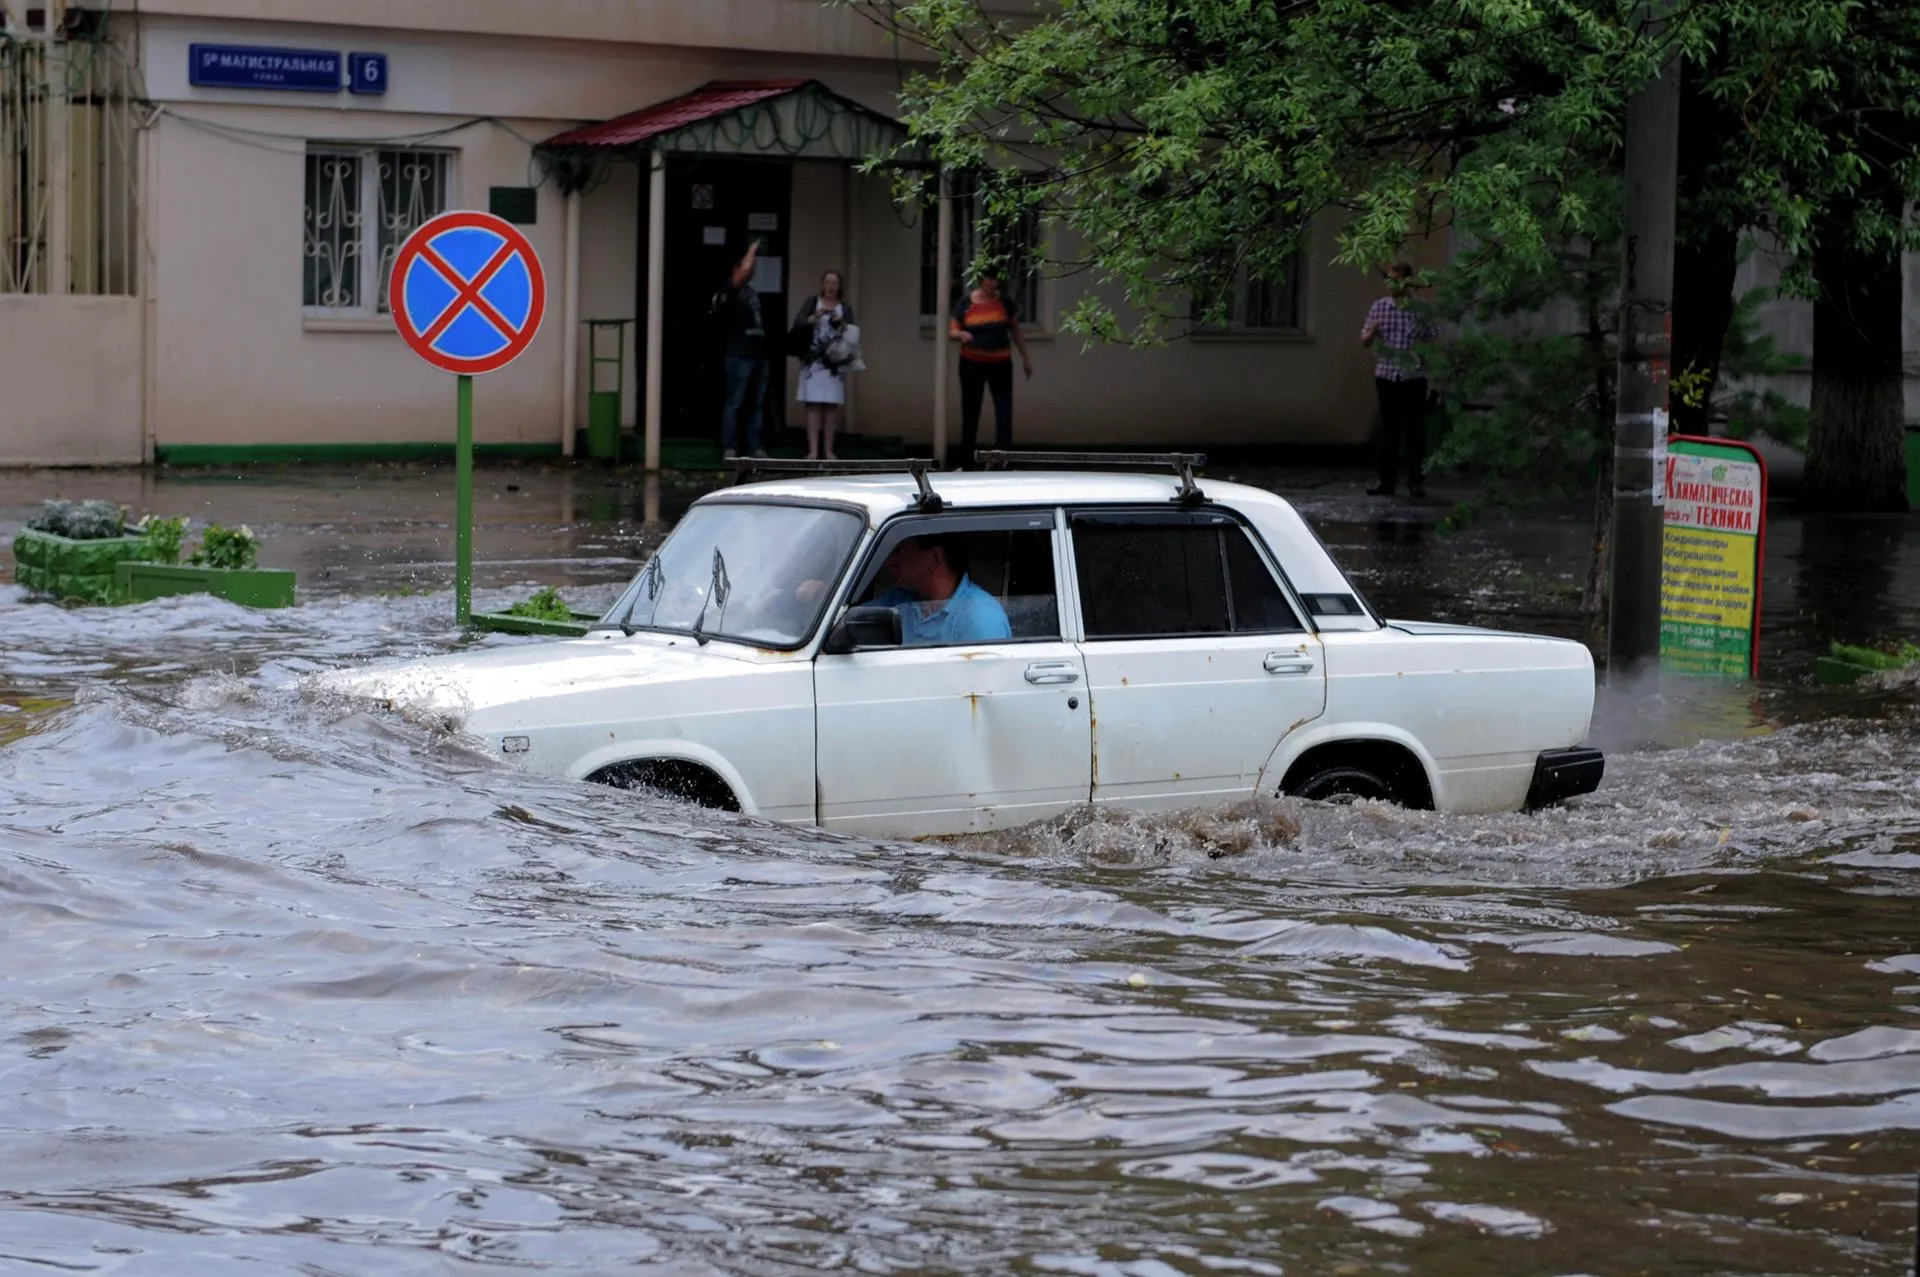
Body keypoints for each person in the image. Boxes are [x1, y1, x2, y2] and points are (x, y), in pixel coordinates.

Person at [1359, 261, 1440, 498]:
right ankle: (1387, 482)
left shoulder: (1421, 309)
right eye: (1390, 279)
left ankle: (1416, 482)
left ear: (1408, 282)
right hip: (1386, 376)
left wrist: (1425, 357)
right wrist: (1372, 333)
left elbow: (1434, 338)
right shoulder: (1380, 307)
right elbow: (1364, 340)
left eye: (1397, 279)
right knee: (1389, 431)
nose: (1391, 284)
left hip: (1413, 377)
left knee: (1415, 431)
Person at [949, 272, 1033, 467]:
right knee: (971, 409)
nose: (993, 282)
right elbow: (952, 330)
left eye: (996, 279)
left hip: (1000, 363)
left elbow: (1015, 332)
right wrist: (961, 334)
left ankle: (1003, 457)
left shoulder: (1005, 304)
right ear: (981, 280)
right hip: (972, 363)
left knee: (1004, 409)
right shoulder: (966, 303)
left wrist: (1025, 358)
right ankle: (967, 459)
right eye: (989, 279)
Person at [872, 535, 1010, 646]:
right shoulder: (899, 599)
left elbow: (986, 679)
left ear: (933, 558)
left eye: (900, 551)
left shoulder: (979, 618)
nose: (889, 562)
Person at [788, 270, 857, 460]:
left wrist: (841, 322)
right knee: (813, 405)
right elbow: (799, 324)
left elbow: (852, 334)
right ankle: (812, 450)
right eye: (827, 282)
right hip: (813, 361)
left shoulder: (845, 308)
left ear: (840, 286)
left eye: (835, 283)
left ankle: (828, 450)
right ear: (822, 284)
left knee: (831, 406)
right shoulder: (812, 303)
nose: (831, 287)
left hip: (834, 363)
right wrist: (815, 317)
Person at [714, 242, 770, 461]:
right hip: (739, 355)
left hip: (759, 355)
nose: (753, 270)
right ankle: (730, 446)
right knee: (735, 401)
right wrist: (753, 247)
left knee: (756, 403)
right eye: (750, 266)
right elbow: (745, 270)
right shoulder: (729, 288)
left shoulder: (753, 292)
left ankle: (755, 447)